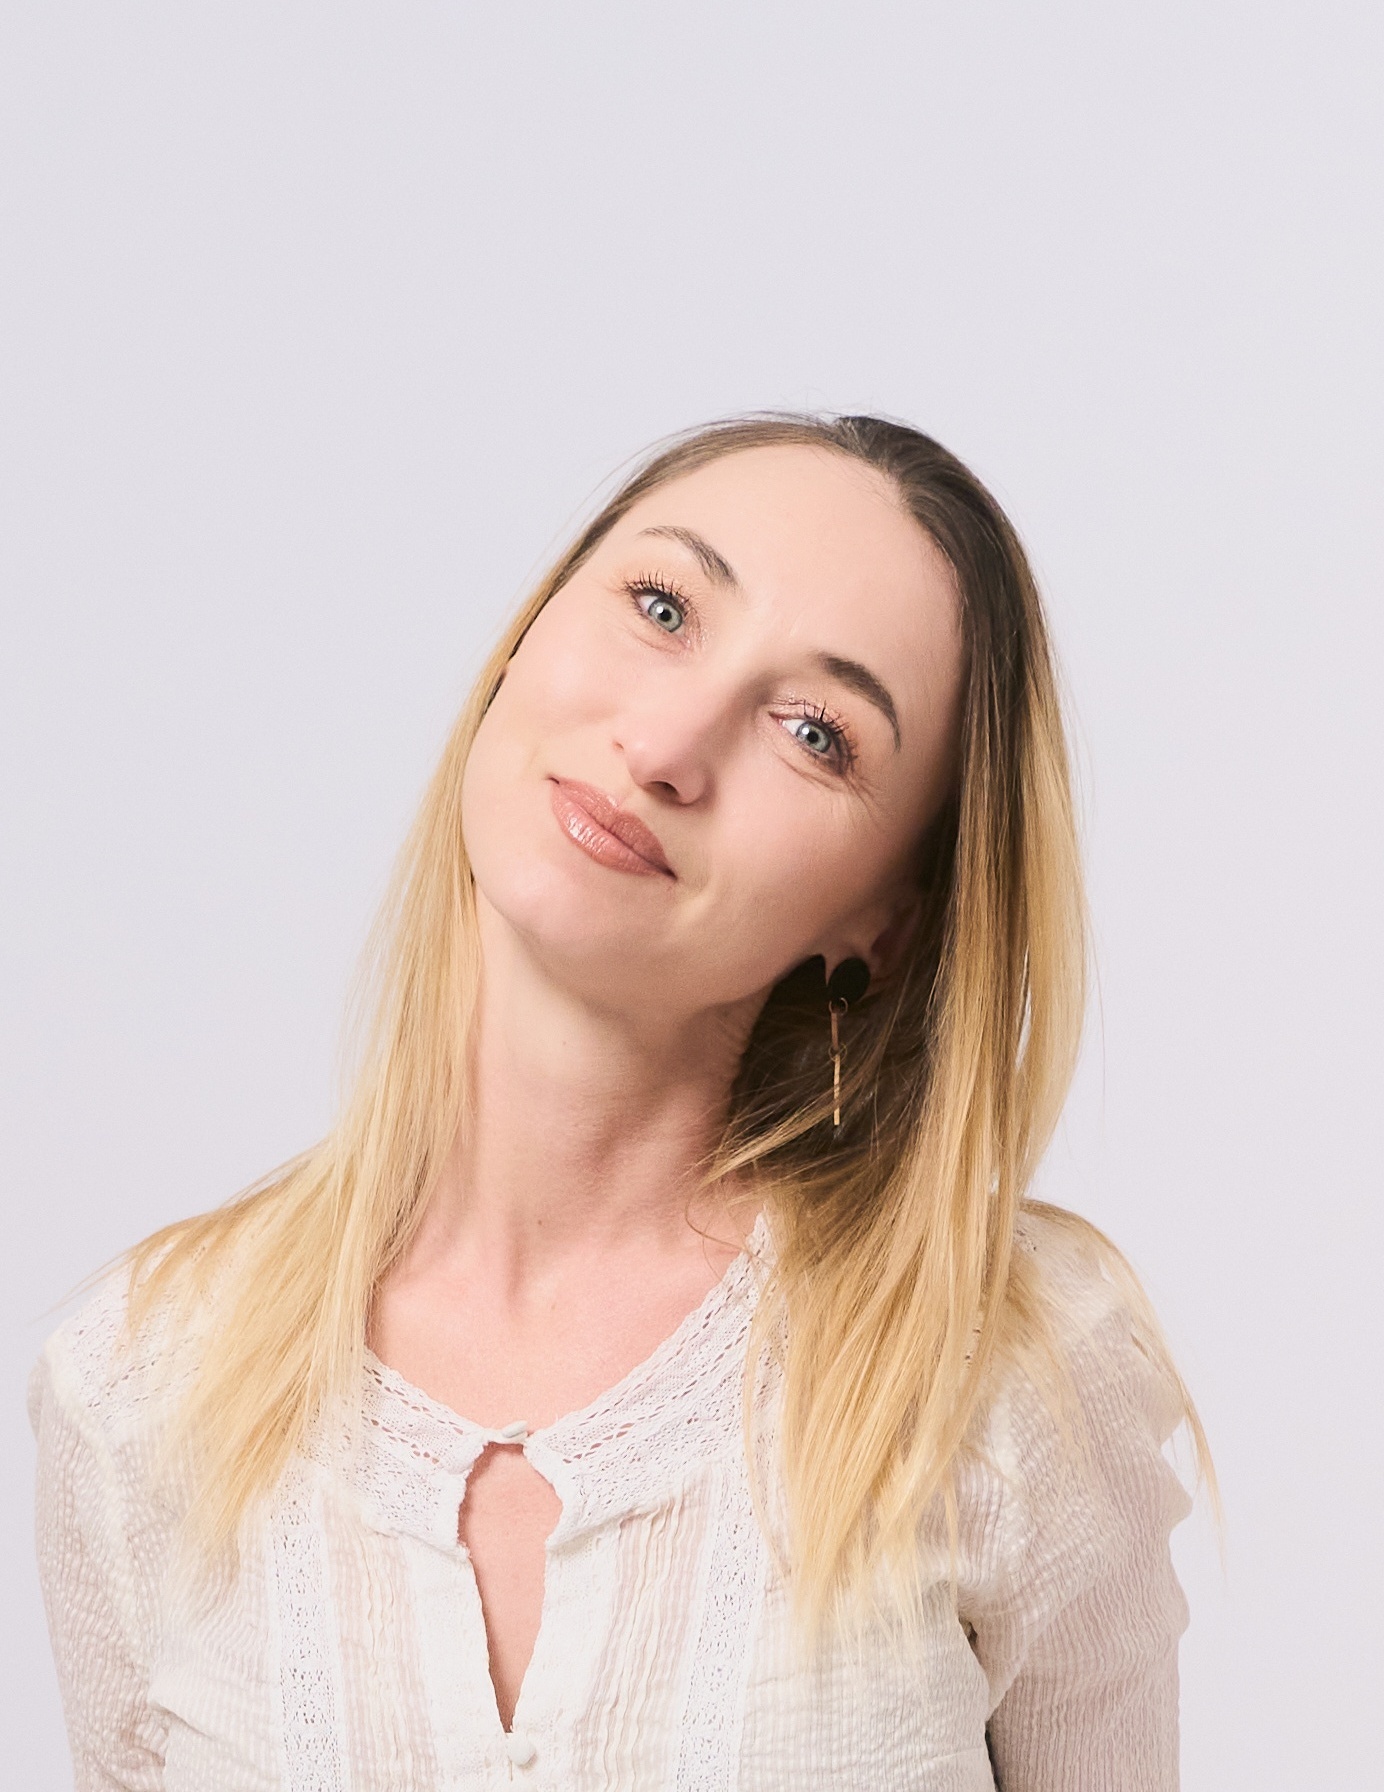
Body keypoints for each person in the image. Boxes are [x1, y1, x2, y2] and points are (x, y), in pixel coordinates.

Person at [30, 414, 1207, 1791]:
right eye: (662, 607)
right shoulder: (140, 1385)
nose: (665, 745)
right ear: (522, 638)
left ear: (884, 921)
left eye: (815, 733)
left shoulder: (1008, 1371)